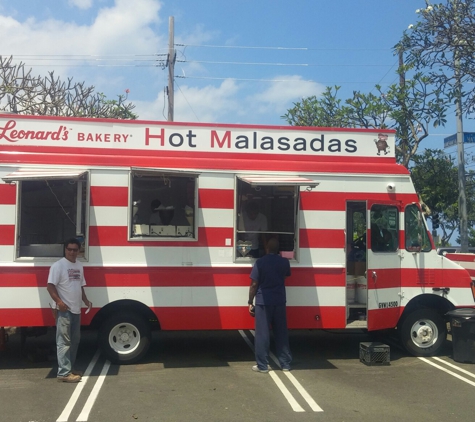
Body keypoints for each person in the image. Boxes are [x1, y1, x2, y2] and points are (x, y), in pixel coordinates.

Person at [47, 238, 91, 383]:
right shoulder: (58, 266)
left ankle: (70, 369)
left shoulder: (79, 265)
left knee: (75, 341)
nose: (72, 252)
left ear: (79, 251)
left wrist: (85, 300)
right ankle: (63, 373)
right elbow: (50, 287)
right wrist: (59, 303)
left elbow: (80, 286)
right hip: (64, 310)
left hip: (76, 309)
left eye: (75, 250)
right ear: (65, 250)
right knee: (64, 342)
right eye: (69, 249)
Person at [248, 238, 292, 373]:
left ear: (267, 248)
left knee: (262, 334)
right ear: (278, 249)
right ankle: (285, 364)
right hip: (279, 300)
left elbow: (254, 284)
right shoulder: (285, 262)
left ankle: (262, 365)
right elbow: (285, 276)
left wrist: (250, 301)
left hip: (263, 301)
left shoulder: (260, 262)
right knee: (281, 332)